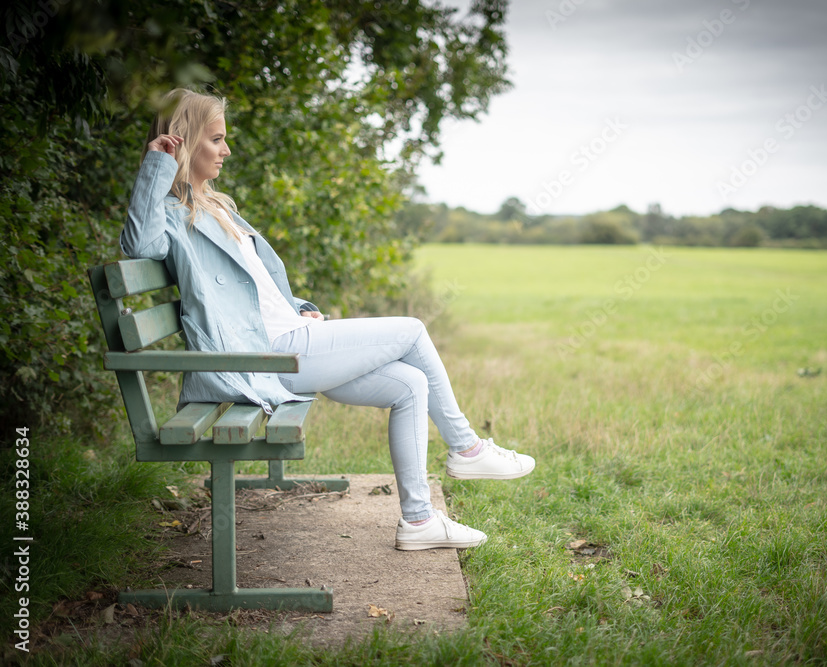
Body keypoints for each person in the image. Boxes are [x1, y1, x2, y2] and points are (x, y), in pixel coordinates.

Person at [121, 88, 535, 551]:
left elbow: (253, 291)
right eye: (216, 139)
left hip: (290, 339)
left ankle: (419, 521)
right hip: (265, 356)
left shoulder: (217, 205)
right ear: (182, 141)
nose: (227, 150)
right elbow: (138, 246)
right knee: (412, 330)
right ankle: (467, 448)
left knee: (411, 384)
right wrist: (157, 164)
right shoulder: (173, 214)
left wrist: (298, 307)